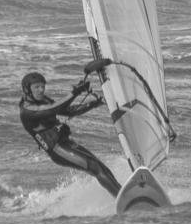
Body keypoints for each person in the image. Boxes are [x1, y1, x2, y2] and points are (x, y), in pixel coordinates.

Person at [18, 69, 121, 197]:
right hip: (57, 150)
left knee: (101, 167)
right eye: (36, 87)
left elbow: (68, 111)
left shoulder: (44, 100)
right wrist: (75, 92)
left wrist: (94, 103)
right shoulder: (27, 110)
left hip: (66, 143)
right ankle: (122, 198)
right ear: (27, 89)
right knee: (95, 168)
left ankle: (123, 194)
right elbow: (53, 109)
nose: (41, 90)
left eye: (42, 87)